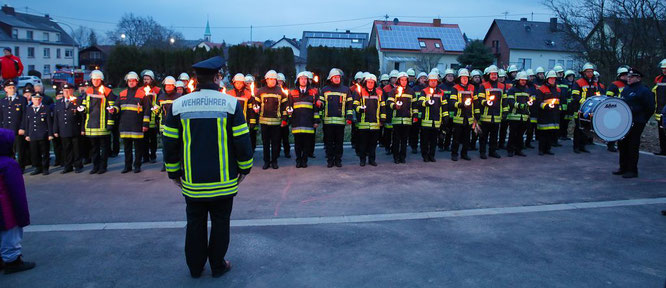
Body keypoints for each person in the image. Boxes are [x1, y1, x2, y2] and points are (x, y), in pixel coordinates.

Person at [163, 56, 253, 278]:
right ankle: (218, 265)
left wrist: (174, 172)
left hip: (193, 183)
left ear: (196, 79)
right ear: (216, 77)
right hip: (224, 183)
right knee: (221, 224)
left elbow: (170, 142)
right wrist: (245, 168)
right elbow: (242, 140)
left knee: (195, 224)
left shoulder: (178, 105)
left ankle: (195, 267)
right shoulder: (231, 104)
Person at [0, 128, 35, 274]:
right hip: (6, 206)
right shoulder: (9, 164)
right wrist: (22, 213)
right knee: (11, 234)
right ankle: (12, 260)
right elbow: (16, 190)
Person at [613, 68, 655, 178]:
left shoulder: (644, 90)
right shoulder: (626, 89)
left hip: (637, 122)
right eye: (628, 76)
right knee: (622, 144)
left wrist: (642, 119)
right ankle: (623, 167)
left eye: (631, 77)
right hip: (625, 122)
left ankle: (632, 170)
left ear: (638, 78)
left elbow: (650, 107)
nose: (629, 78)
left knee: (632, 145)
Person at [80, 70, 117, 174]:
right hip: (91, 125)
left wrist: (110, 123)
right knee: (94, 148)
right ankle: (95, 166)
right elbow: (84, 105)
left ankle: (103, 167)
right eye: (94, 79)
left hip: (103, 125)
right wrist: (81, 108)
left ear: (101, 80)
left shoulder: (107, 91)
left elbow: (111, 109)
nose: (95, 81)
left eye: (97, 80)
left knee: (104, 148)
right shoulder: (88, 91)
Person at [117, 72, 150, 173]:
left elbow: (147, 110)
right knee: (127, 148)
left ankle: (137, 166)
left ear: (136, 82)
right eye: (129, 81)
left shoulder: (142, 94)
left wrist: (145, 124)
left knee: (138, 147)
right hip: (125, 125)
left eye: (133, 81)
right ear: (127, 82)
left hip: (137, 125)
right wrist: (113, 109)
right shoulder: (122, 94)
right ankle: (127, 166)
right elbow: (117, 106)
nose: (131, 82)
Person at [320, 68, 352, 168]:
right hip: (328, 122)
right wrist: (319, 105)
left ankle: (338, 160)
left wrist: (349, 117)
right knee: (328, 143)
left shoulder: (346, 90)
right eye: (335, 77)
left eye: (338, 77)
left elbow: (349, 104)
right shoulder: (324, 89)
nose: (337, 79)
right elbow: (321, 104)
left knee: (339, 143)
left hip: (340, 121)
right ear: (331, 78)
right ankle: (330, 160)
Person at [286, 72, 320, 168]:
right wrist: (289, 114)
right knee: (297, 144)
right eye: (301, 79)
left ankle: (304, 160)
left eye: (305, 79)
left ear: (308, 81)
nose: (303, 80)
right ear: (298, 80)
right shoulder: (292, 93)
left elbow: (315, 109)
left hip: (308, 123)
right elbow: (289, 106)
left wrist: (316, 121)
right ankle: (298, 160)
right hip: (296, 122)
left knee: (306, 143)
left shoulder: (313, 93)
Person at [255, 70, 287, 169]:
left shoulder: (280, 91)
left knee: (275, 143)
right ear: (266, 80)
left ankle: (274, 161)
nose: (272, 81)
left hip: (276, 122)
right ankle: (266, 162)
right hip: (264, 121)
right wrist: (256, 109)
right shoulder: (260, 91)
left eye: (274, 79)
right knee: (265, 143)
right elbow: (256, 105)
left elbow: (284, 107)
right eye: (270, 79)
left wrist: (284, 119)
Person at [354, 74, 385, 166]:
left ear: (374, 83)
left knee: (373, 144)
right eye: (369, 82)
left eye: (372, 82)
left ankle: (372, 160)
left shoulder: (379, 92)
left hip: (375, 123)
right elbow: (355, 105)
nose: (370, 84)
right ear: (365, 82)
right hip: (363, 123)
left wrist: (382, 119)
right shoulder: (359, 92)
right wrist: (360, 108)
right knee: (363, 144)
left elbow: (383, 107)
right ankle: (362, 160)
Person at [52, 83, 84, 173]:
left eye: (69, 90)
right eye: (65, 90)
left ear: (72, 91)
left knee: (76, 148)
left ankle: (78, 165)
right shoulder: (59, 102)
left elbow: (82, 117)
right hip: (63, 129)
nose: (66, 92)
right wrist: (55, 130)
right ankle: (68, 165)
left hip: (75, 129)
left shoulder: (78, 101)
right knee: (66, 149)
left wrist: (82, 129)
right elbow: (56, 117)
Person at [387, 72, 417, 164]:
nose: (404, 82)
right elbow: (389, 102)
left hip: (407, 119)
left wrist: (415, 116)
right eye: (402, 80)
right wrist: (394, 106)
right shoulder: (393, 91)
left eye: (405, 80)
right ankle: (395, 157)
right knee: (396, 140)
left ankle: (403, 157)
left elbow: (414, 105)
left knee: (404, 141)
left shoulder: (411, 91)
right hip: (396, 119)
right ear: (399, 81)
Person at [571, 63, 601, 153]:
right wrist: (584, 102)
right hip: (579, 109)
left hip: (590, 109)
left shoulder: (595, 83)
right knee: (579, 128)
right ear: (584, 73)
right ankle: (576, 147)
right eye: (588, 72)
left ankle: (582, 146)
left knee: (587, 128)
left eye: (591, 72)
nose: (590, 73)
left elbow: (597, 94)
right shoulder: (578, 82)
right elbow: (575, 95)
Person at [418, 72, 448, 162]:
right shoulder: (424, 91)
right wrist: (426, 103)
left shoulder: (441, 92)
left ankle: (432, 155)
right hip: (426, 120)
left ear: (437, 82)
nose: (433, 82)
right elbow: (420, 103)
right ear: (428, 81)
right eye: (432, 81)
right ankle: (425, 155)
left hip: (436, 121)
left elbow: (444, 106)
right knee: (425, 140)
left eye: (435, 81)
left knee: (434, 140)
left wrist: (445, 117)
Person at [477, 65, 506, 159]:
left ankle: (492, 151)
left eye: (495, 74)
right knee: (483, 136)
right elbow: (480, 99)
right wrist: (485, 103)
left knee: (494, 136)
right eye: (492, 74)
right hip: (486, 115)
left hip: (497, 115)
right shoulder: (483, 86)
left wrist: (505, 112)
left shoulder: (502, 86)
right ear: (488, 75)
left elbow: (504, 100)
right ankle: (482, 152)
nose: (494, 76)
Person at [0, 80, 29, 172]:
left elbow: (24, 115)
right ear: (5, 89)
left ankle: (21, 167)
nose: (12, 89)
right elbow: (1, 116)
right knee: (8, 150)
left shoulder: (21, 99)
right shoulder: (2, 101)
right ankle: (10, 167)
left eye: (13, 87)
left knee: (20, 150)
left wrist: (22, 127)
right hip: (6, 130)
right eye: (9, 88)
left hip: (17, 129)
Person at [450, 68, 477, 161]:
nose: (465, 79)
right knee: (456, 138)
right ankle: (454, 154)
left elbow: (476, 102)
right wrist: (461, 105)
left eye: (466, 77)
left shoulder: (472, 87)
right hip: (459, 117)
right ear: (459, 78)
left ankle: (464, 154)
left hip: (469, 117)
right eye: (463, 77)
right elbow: (452, 102)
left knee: (466, 138)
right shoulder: (455, 88)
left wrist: (476, 114)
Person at [155, 76, 182, 171]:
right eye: (167, 85)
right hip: (164, 126)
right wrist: (155, 110)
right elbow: (156, 110)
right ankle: (165, 164)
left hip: (177, 126)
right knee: (166, 147)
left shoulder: (179, 97)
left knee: (178, 146)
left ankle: (180, 163)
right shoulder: (161, 97)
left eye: (170, 85)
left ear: (174, 86)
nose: (168, 87)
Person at [23, 93, 53, 175]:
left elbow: (49, 122)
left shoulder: (46, 108)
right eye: (35, 99)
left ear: (41, 99)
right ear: (32, 100)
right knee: (35, 153)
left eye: (39, 99)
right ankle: (37, 167)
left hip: (43, 134)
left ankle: (45, 168)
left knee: (45, 152)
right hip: (33, 134)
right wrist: (27, 134)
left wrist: (50, 134)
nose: (37, 101)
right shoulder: (28, 109)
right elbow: (27, 123)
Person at [535, 71, 562, 155]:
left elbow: (559, 101)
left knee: (551, 133)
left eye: (554, 78)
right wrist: (546, 106)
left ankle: (548, 149)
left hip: (554, 115)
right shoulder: (542, 89)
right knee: (543, 134)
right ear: (547, 79)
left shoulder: (557, 89)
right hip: (544, 115)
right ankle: (541, 150)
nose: (552, 80)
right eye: (551, 78)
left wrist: (559, 109)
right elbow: (538, 102)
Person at [505, 71, 532, 157]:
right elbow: (510, 101)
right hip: (514, 116)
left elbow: (529, 100)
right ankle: (510, 150)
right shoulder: (512, 90)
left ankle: (518, 150)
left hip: (524, 116)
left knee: (520, 135)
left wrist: (529, 104)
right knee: (513, 134)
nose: (524, 81)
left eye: (525, 80)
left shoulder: (527, 90)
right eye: (522, 80)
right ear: (518, 80)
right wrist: (520, 106)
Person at [605, 66, 629, 152]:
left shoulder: (629, 84)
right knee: (614, 128)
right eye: (623, 75)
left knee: (624, 128)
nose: (625, 77)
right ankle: (610, 144)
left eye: (627, 75)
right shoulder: (614, 85)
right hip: (615, 110)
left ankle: (621, 145)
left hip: (626, 109)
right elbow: (608, 97)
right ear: (619, 76)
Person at [140, 70, 160, 163]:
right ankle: (145, 156)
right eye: (144, 79)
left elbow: (160, 102)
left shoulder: (157, 90)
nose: (146, 81)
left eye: (147, 79)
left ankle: (153, 155)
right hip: (143, 119)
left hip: (153, 119)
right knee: (144, 140)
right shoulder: (140, 90)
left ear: (152, 80)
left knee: (153, 140)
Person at [438, 69, 457, 151]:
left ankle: (447, 145)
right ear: (445, 77)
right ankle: (440, 145)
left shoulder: (456, 87)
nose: (450, 77)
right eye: (448, 76)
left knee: (450, 130)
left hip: (453, 112)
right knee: (442, 129)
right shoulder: (441, 87)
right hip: (443, 111)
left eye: (452, 76)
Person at [653, 59, 666, 156]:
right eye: (663, 69)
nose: (664, 70)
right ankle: (663, 150)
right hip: (660, 109)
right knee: (661, 131)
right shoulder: (658, 78)